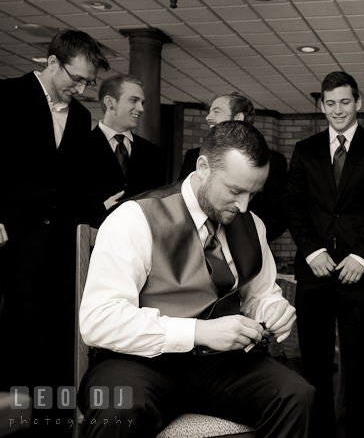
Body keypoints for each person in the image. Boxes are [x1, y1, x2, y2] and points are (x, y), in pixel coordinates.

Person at [78, 121, 314, 438]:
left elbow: (260, 294)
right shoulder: (134, 217)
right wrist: (199, 331)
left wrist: (271, 309)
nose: (244, 206)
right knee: (116, 409)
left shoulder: (252, 224)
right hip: (138, 361)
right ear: (203, 167)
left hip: (219, 366)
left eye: (253, 194)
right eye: (235, 190)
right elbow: (99, 321)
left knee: (297, 396)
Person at [0, 29, 109, 437]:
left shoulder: (80, 118)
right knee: (22, 341)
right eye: (75, 78)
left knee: (60, 341)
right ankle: (19, 424)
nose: (80, 89)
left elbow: (75, 184)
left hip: (62, 249)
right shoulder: (7, 96)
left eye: (87, 82)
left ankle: (55, 424)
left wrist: (110, 223)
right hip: (15, 242)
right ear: (51, 62)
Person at [285, 71, 364, 438]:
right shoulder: (305, 150)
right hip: (314, 275)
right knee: (315, 369)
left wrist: (362, 256)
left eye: (345, 102)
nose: (337, 110)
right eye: (330, 103)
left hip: (361, 277)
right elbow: (295, 207)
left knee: (362, 369)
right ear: (321, 105)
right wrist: (313, 250)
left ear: (358, 102)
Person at [179, 92, 288, 242]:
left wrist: (251, 241)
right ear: (202, 165)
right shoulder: (194, 156)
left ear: (238, 118)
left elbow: (280, 214)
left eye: (216, 111)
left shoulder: (273, 162)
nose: (208, 117)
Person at [88, 74, 164, 226]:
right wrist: (101, 209)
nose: (141, 108)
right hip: (92, 243)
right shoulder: (79, 147)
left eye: (142, 102)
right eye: (133, 100)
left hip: (140, 244)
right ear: (110, 102)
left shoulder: (153, 153)